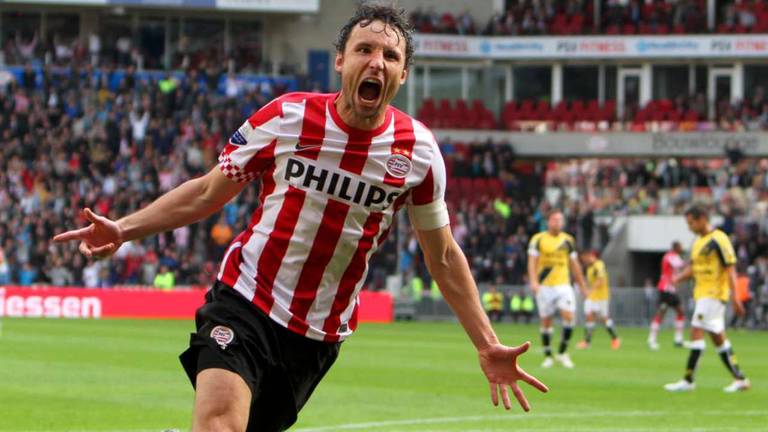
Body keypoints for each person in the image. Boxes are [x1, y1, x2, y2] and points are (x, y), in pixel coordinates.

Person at [53, 5, 547, 431]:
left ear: (403, 75)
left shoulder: (418, 153)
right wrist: (125, 228)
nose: (376, 61)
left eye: (390, 56)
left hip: (316, 336)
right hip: (245, 298)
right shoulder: (286, 118)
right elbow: (207, 191)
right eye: (364, 49)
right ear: (340, 60)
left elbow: (441, 256)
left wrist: (486, 343)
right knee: (221, 420)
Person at [664, 205, 750, 393]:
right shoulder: (697, 243)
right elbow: (694, 268)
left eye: (692, 222)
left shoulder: (719, 239)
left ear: (703, 218)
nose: (690, 227)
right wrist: (677, 278)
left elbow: (730, 269)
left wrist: (736, 297)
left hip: (714, 294)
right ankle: (740, 378)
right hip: (702, 294)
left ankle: (688, 380)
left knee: (696, 329)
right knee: (718, 338)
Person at [527, 209, 588, 369]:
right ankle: (548, 355)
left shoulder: (568, 240)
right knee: (546, 321)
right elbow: (532, 261)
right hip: (544, 286)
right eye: (554, 220)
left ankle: (562, 353)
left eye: (560, 220)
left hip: (563, 285)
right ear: (549, 222)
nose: (557, 223)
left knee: (568, 316)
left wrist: (582, 285)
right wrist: (533, 281)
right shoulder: (538, 239)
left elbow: (574, 265)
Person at [576, 250, 620, 350]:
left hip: (601, 297)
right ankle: (587, 342)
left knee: (604, 318)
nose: (584, 260)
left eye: (585, 257)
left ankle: (615, 339)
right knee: (589, 317)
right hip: (592, 297)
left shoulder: (599, 265)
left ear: (591, 256)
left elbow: (600, 280)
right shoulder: (589, 268)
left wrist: (589, 291)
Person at [648, 241, 686, 350]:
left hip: (668, 289)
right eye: (680, 247)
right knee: (675, 311)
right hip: (667, 289)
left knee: (668, 312)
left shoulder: (672, 256)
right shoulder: (670, 256)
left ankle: (675, 339)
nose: (681, 249)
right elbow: (681, 265)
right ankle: (654, 339)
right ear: (675, 247)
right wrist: (693, 261)